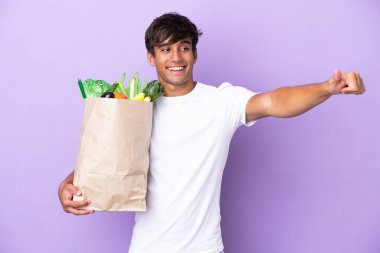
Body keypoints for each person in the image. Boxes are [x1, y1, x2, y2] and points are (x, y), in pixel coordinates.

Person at [58, 12, 365, 253]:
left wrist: (328, 88)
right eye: (165, 49)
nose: (176, 57)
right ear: (152, 58)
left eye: (184, 47)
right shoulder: (137, 107)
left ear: (194, 54)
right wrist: (67, 185)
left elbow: (275, 100)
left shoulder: (221, 102)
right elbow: (107, 161)